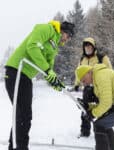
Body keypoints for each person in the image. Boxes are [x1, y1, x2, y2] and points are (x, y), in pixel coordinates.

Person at [4, 20, 75, 150]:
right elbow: (32, 46)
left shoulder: (54, 47)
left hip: (26, 77)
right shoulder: (47, 29)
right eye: (69, 36)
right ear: (64, 32)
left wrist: (54, 81)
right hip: (17, 71)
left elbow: (49, 68)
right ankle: (19, 147)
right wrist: (47, 70)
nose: (68, 39)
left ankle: (16, 146)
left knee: (23, 115)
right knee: (23, 114)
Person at [73, 37, 112, 138]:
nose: (88, 48)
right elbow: (79, 72)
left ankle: (105, 130)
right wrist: (77, 84)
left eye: (90, 46)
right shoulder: (82, 59)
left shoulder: (101, 57)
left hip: (100, 87)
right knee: (85, 108)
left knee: (102, 107)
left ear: (94, 47)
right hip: (87, 88)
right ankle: (85, 130)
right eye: (86, 46)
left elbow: (110, 70)